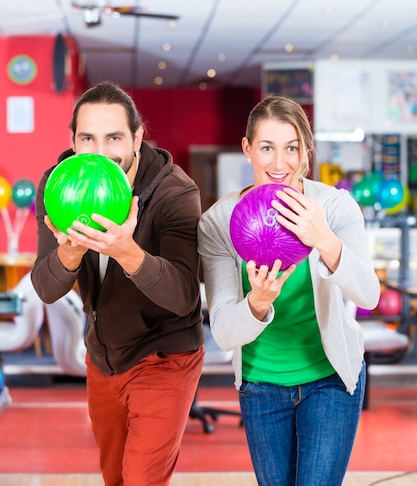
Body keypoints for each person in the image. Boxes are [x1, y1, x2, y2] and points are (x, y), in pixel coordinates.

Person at [197, 96, 380, 486]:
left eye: (291, 148)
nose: (279, 164)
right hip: (261, 386)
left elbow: (369, 295)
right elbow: (226, 333)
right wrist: (258, 302)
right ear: (248, 149)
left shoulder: (334, 208)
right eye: (266, 147)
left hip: (330, 378)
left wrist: (324, 240)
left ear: (305, 152)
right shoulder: (217, 223)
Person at [31, 81, 204, 486]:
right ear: (73, 141)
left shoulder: (174, 192)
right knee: (115, 478)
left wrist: (127, 251)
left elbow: (184, 296)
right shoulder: (58, 188)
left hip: (165, 355)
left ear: (137, 138)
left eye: (114, 137)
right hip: (104, 356)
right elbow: (46, 287)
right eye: (87, 138)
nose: (100, 152)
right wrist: (70, 253)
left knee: (142, 479)